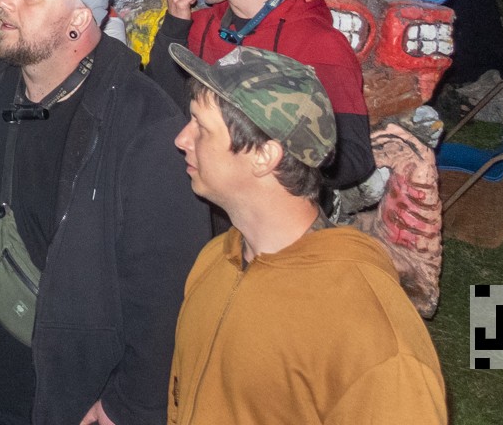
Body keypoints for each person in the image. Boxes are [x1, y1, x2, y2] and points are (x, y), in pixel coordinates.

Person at [0, 0, 209, 424]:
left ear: (78, 20)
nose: (4, 2)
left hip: (53, 400)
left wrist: (132, 402)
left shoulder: (143, 124)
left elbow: (167, 288)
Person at [164, 44, 446, 424]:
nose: (182, 139)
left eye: (201, 127)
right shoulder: (215, 261)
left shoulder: (370, 333)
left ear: (264, 156)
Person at [146, 0, 375, 190]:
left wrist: (263, 170)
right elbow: (161, 109)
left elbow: (353, 158)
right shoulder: (199, 25)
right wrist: (175, 26)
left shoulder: (315, 41)